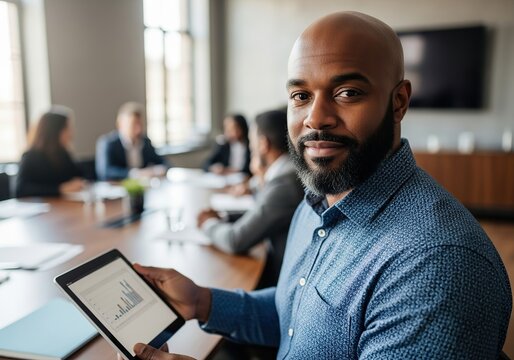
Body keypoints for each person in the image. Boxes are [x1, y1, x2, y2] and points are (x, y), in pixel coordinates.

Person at [125, 12, 512, 360]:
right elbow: (294, 320)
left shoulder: (435, 265)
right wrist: (203, 301)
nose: (316, 118)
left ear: (398, 102)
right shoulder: (316, 205)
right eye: (301, 96)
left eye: (347, 93)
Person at [197, 110, 304, 288]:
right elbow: (263, 211)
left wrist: (207, 224)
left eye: (252, 141)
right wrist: (223, 216)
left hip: (280, 281)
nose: (250, 146)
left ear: (263, 144)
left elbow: (235, 240)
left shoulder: (285, 183)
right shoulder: (288, 171)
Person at [16, 107, 85, 198]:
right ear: (55, 131)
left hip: (63, 207)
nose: (71, 134)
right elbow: (21, 190)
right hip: (44, 208)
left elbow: (78, 176)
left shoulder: (63, 154)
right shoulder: (30, 156)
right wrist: (59, 189)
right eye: (67, 129)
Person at [95, 102, 167, 181]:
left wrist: (157, 170)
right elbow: (105, 172)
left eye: (140, 124)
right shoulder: (108, 143)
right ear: (120, 125)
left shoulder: (145, 141)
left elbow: (164, 162)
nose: (138, 129)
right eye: (133, 125)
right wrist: (135, 174)